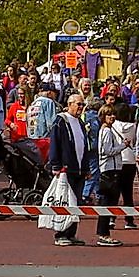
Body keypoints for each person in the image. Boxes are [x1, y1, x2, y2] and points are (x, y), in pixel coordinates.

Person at [46, 94, 111, 247]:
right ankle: (60, 233)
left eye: (83, 105)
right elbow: (55, 144)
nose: (81, 108)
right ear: (70, 104)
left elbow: (85, 145)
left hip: (79, 169)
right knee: (65, 201)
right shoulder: (61, 121)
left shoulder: (80, 122)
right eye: (78, 104)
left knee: (76, 202)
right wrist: (56, 165)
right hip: (65, 169)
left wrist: (86, 167)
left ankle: (71, 233)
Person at [98, 101, 139, 230]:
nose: (112, 117)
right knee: (127, 193)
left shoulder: (112, 127)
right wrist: (123, 146)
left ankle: (111, 219)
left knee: (114, 195)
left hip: (118, 163)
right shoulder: (132, 126)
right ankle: (129, 219)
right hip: (126, 161)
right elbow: (107, 150)